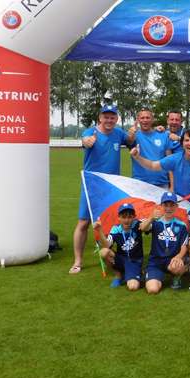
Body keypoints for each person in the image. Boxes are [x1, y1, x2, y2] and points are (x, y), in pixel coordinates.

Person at [71, 105, 136, 274]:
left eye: (112, 117)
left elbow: (129, 142)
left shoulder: (119, 133)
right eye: (106, 117)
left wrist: (130, 137)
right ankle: (78, 261)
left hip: (111, 187)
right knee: (84, 223)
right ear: (100, 118)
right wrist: (88, 142)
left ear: (116, 119)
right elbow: (85, 141)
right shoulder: (90, 132)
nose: (109, 120)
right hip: (91, 186)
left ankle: (113, 257)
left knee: (111, 223)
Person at [130, 129, 190, 200]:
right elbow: (152, 165)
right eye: (186, 140)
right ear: (182, 144)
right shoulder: (175, 159)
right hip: (181, 203)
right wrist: (137, 157)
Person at [92, 203, 147, 291]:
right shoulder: (116, 229)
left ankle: (139, 272)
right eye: (123, 217)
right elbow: (107, 245)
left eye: (129, 217)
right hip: (121, 258)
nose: (126, 220)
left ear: (134, 217)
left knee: (133, 287)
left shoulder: (138, 225)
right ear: (119, 217)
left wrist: (151, 219)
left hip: (135, 261)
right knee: (104, 252)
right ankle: (119, 275)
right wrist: (99, 230)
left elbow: (147, 227)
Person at [142, 192, 189, 293]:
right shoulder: (155, 222)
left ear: (177, 206)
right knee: (153, 290)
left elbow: (184, 246)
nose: (168, 208)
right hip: (155, 261)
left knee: (178, 268)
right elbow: (143, 228)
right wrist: (151, 218)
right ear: (161, 206)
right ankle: (156, 275)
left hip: (171, 260)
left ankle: (176, 277)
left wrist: (179, 256)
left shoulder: (181, 225)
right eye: (166, 205)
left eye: (172, 205)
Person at [128, 106, 174, 189]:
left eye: (148, 118)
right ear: (137, 120)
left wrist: (172, 186)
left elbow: (170, 163)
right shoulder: (135, 136)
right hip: (139, 184)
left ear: (153, 119)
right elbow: (130, 139)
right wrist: (131, 134)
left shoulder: (163, 136)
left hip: (162, 184)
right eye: (142, 118)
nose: (145, 120)